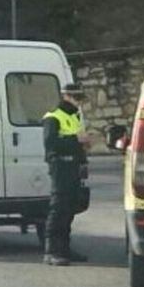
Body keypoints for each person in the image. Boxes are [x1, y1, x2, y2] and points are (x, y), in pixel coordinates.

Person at [41, 83, 90, 266]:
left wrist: (83, 149)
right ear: (66, 96)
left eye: (80, 99)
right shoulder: (52, 117)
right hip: (60, 166)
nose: (78, 102)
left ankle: (64, 249)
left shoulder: (74, 117)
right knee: (58, 209)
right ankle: (51, 251)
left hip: (74, 166)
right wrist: (75, 139)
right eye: (75, 98)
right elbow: (50, 143)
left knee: (69, 210)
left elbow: (75, 141)